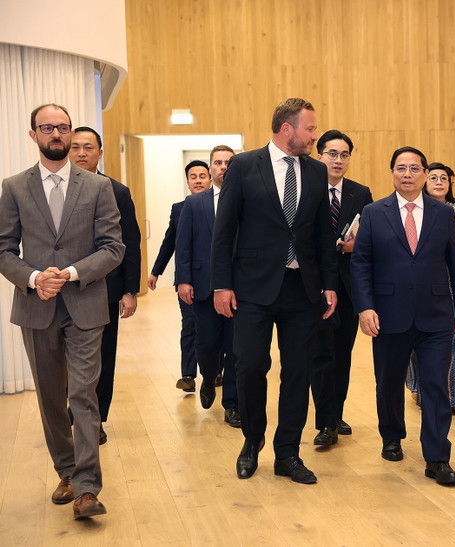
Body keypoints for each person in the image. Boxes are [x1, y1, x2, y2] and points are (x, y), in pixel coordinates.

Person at [0, 104, 124, 518]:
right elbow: (4, 249)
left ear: (71, 134)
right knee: (51, 397)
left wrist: (70, 273)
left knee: (82, 393)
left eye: (63, 127)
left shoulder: (98, 187)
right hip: (36, 307)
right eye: (47, 127)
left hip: (85, 303)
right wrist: (35, 278)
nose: (56, 133)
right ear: (33, 134)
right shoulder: (14, 187)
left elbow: (113, 247)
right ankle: (66, 471)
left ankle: (87, 488)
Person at [211, 98, 337, 484]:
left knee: (298, 372)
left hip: (302, 289)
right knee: (250, 366)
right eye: (310, 129)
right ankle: (252, 442)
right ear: (287, 129)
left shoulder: (316, 170)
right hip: (252, 288)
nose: (315, 137)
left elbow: (323, 233)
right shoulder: (244, 165)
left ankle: (288, 453)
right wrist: (221, 284)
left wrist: (330, 284)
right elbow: (224, 230)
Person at [350, 147, 455, 486]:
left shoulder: (443, 213)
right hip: (388, 315)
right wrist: (365, 307)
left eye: (414, 168)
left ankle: (437, 458)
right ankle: (391, 436)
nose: (407, 174)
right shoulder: (373, 213)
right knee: (389, 382)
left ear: (424, 174)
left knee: (435, 385)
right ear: (392, 173)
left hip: (436, 315)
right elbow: (360, 264)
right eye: (401, 168)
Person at [69, 127, 141, 445]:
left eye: (88, 147)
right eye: (75, 147)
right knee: (68, 356)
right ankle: (75, 409)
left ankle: (95, 418)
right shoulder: (56, 189)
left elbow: (131, 243)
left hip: (106, 290)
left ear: (100, 153)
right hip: (65, 289)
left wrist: (129, 290)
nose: (81, 153)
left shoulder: (117, 191)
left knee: (102, 357)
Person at [310, 130, 373, 447]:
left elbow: (372, 238)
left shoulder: (360, 193)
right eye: (332, 154)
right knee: (321, 355)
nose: (338, 160)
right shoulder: (307, 189)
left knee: (342, 355)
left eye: (344, 154)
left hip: (349, 287)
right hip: (316, 287)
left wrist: (355, 245)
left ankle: (336, 413)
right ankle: (325, 422)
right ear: (319, 155)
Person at [406, 163, 455, 411]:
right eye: (433, 178)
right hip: (423, 285)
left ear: (450, 183)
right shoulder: (415, 210)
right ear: (424, 181)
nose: (439, 182)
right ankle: (422, 390)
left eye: (443, 178)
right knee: (421, 340)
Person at [176, 149, 240, 427]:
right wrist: (183, 279)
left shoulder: (246, 200)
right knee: (206, 343)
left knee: (236, 348)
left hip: (239, 288)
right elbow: (183, 244)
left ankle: (232, 404)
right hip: (203, 287)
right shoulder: (194, 203)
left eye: (228, 162)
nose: (223, 167)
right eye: (218, 162)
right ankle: (208, 376)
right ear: (210, 168)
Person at [147, 161, 210, 392]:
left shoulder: (221, 204)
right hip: (188, 278)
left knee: (214, 328)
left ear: (210, 179)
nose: (198, 180)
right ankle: (188, 375)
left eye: (202, 176)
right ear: (187, 181)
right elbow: (169, 243)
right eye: (193, 177)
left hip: (214, 279)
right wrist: (156, 271)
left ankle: (215, 372)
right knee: (190, 325)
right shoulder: (179, 209)